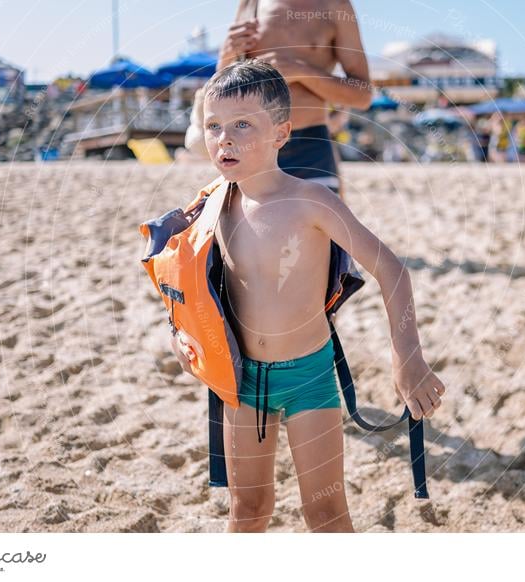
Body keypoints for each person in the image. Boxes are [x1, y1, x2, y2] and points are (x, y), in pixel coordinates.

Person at [170, 60, 445, 533]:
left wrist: (408, 358)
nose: (225, 139)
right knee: (248, 509)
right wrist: (180, 335)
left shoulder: (310, 202)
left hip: (309, 378)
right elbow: (187, 284)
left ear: (281, 133)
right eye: (214, 126)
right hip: (241, 381)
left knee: (325, 513)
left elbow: (392, 271)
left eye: (242, 125)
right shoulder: (213, 204)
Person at [214, 0, 372, 196]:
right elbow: (222, 89)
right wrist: (225, 56)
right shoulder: (251, 3)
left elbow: (363, 95)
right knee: (247, 225)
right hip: (250, 145)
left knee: (318, 225)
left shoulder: (335, 6)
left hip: (309, 145)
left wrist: (300, 71)